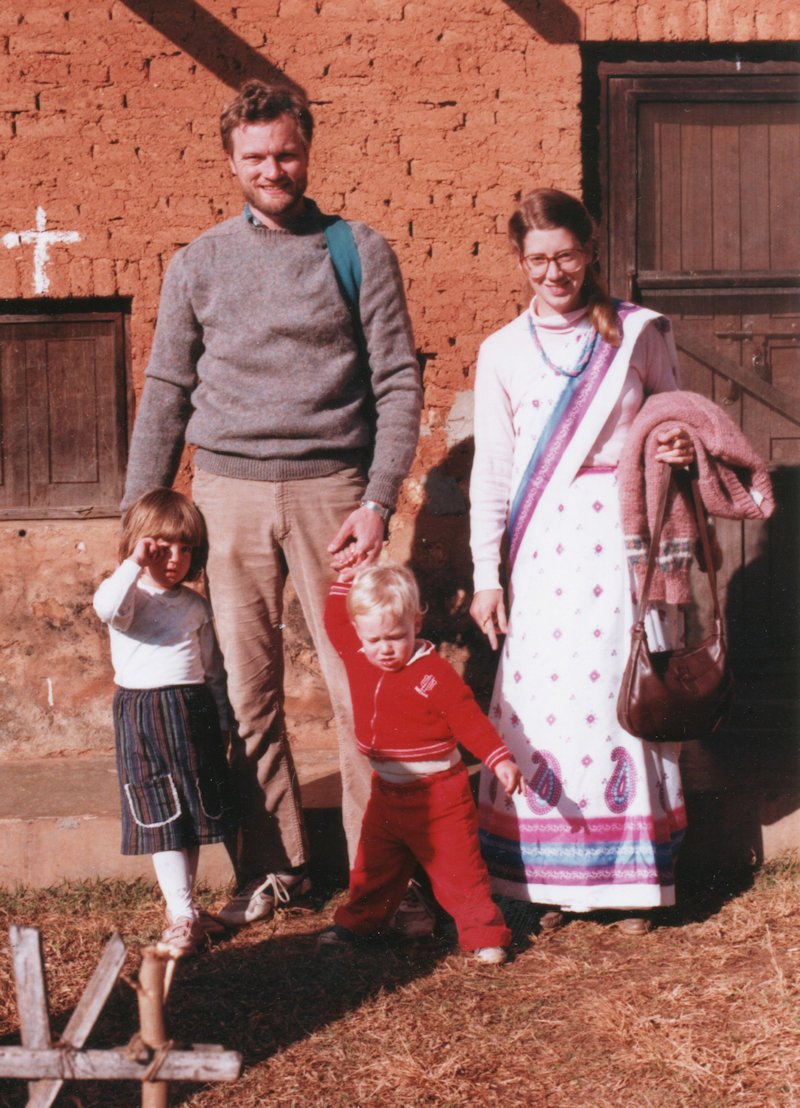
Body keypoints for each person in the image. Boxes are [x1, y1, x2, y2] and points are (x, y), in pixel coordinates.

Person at [121, 79, 423, 928]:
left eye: (285, 152)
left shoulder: (357, 248)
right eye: (254, 156)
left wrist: (376, 500)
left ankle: (381, 880)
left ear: (308, 149)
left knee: (364, 688)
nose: (272, 169)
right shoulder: (200, 262)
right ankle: (273, 867)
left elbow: (398, 382)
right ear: (230, 161)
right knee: (246, 696)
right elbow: (165, 391)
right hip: (227, 497)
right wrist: (137, 522)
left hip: (333, 495)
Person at [469, 188, 696, 935]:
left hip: (620, 537)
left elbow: (677, 414)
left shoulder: (634, 334)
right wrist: (484, 575)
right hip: (541, 553)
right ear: (520, 262)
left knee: (620, 692)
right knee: (544, 703)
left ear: (589, 250)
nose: (553, 272)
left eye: (566, 255)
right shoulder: (501, 352)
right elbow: (494, 473)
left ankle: (631, 886)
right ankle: (543, 880)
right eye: (537, 259)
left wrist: (675, 446)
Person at [318, 563, 522, 964]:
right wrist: (343, 580)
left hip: (439, 794)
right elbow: (332, 624)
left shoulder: (433, 675)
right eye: (374, 638)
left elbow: (469, 720)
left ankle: (484, 934)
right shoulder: (360, 657)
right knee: (374, 867)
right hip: (387, 792)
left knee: (460, 870)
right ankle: (357, 923)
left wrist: (498, 759)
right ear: (359, 632)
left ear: (416, 622)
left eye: (396, 636)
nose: (385, 648)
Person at [94, 489, 236, 958]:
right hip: (142, 713)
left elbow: (212, 669)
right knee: (160, 812)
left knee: (190, 812)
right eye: (162, 547)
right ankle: (180, 914)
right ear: (140, 546)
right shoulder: (129, 596)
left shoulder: (194, 606)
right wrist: (135, 562)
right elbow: (107, 608)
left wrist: (220, 719)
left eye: (185, 548)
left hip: (191, 710)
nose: (174, 559)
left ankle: (187, 910)